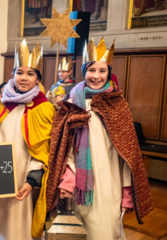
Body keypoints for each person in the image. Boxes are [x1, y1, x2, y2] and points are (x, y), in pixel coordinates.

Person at [46, 37, 154, 240]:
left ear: (109, 73)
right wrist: (67, 180)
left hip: (110, 183)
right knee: (79, 231)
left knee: (106, 231)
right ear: (84, 71)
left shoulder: (118, 104)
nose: (96, 76)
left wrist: (127, 192)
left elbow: (127, 153)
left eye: (102, 71)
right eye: (91, 70)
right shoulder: (71, 104)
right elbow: (64, 147)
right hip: (80, 186)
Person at [0, 40, 55, 240]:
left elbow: (44, 148)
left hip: (24, 180)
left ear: (38, 78)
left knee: (20, 228)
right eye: (19, 73)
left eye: (30, 74)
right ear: (12, 75)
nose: (24, 78)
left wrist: (32, 180)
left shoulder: (44, 108)